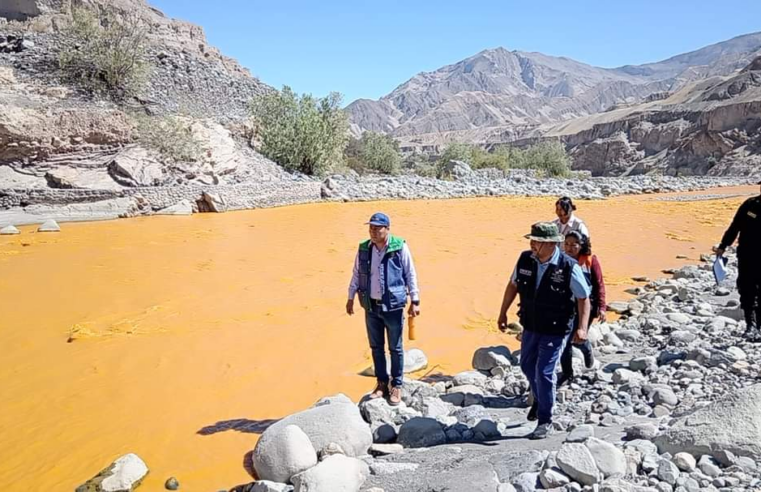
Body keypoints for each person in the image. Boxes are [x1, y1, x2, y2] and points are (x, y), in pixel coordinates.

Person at [498, 222, 591, 439]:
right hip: (531, 324)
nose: (532, 244)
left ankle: (545, 420)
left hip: (556, 328)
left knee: (544, 372)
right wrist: (503, 312)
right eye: (531, 240)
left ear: (551, 244)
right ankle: (541, 396)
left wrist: (582, 328)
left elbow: (583, 298)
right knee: (526, 364)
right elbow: (512, 285)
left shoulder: (569, 267)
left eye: (537, 241)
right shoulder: (525, 259)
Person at [347, 212, 421, 405]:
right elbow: (356, 273)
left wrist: (415, 300)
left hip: (394, 307)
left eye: (377, 228)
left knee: (395, 348)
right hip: (371, 306)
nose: (373, 231)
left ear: (387, 229)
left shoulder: (399, 247)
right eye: (370, 227)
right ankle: (381, 383)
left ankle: (396, 385)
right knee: (376, 348)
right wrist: (350, 297)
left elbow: (410, 273)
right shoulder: (364, 249)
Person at [558, 231, 606, 386]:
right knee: (564, 341)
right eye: (566, 244)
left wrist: (602, 307)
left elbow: (599, 285)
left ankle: (586, 349)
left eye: (574, 245)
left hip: (586, 306)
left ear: (582, 245)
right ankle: (567, 373)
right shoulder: (560, 260)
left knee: (577, 338)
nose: (569, 248)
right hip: (565, 306)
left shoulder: (590, 261)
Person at [715, 180, 761, 337]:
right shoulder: (750, 205)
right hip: (748, 255)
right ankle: (751, 326)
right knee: (748, 289)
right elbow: (735, 226)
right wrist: (723, 245)